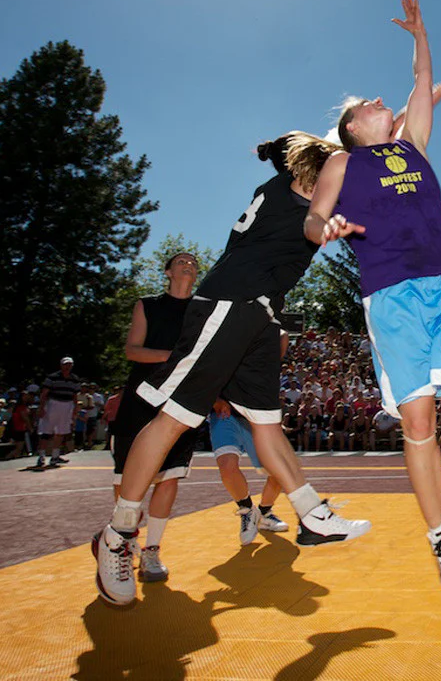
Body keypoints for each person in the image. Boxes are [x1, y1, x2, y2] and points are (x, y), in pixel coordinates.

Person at [93, 132, 370, 609]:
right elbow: (316, 215)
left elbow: (367, 144)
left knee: (267, 424)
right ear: (318, 169)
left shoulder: (298, 185)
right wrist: (326, 225)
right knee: (174, 419)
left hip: (261, 313)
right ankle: (118, 534)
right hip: (230, 302)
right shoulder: (300, 189)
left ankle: (311, 514)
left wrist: (423, 99)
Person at [305, 0, 441, 605]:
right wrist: (325, 228)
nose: (379, 101)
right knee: (419, 422)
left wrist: (420, 34)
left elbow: (422, 81)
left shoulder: (412, 145)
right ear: (352, 128)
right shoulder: (342, 165)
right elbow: (312, 220)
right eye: (367, 104)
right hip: (392, 296)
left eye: (381, 101)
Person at [107, 252, 205, 583]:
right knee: (125, 478)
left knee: (170, 476)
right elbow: (133, 350)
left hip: (179, 398)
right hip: (141, 395)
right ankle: (123, 543)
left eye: (193, 263)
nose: (188, 265)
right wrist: (173, 357)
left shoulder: (202, 311)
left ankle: (152, 551)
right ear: (167, 271)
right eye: (181, 261)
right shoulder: (147, 305)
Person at [208, 399, 290, 545]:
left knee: (277, 472)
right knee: (227, 467)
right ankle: (247, 510)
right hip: (224, 415)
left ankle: (264, 514)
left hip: (258, 416)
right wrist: (215, 400)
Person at [35, 358, 81, 468]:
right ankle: (41, 456)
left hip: (67, 404)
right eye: (66, 364)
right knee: (46, 431)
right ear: (61, 365)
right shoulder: (53, 377)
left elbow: (75, 395)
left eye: (70, 365)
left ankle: (55, 456)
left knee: (61, 431)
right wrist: (41, 407)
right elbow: (44, 393)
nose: (68, 367)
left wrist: (75, 409)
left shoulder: (74, 379)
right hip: (53, 404)